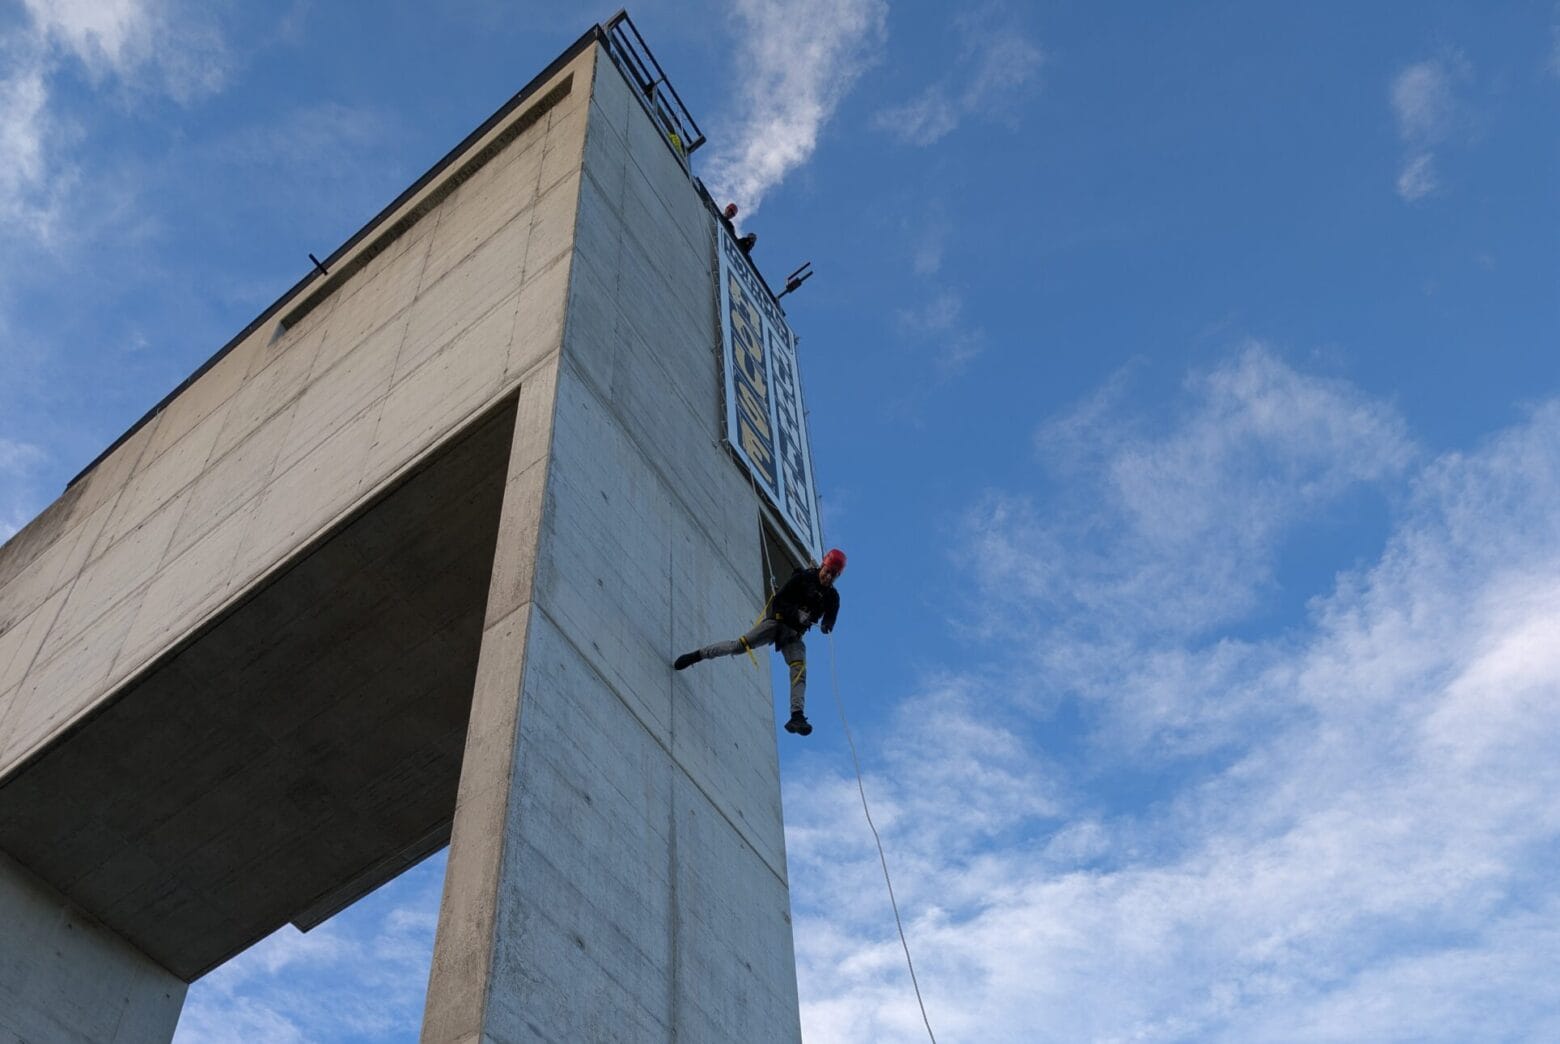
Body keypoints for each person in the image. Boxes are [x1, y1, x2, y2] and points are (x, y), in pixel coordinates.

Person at [674, 548, 846, 736]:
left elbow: (831, 616)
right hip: (777, 623)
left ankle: (797, 715)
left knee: (799, 670)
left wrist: (826, 626)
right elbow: (779, 600)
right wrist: (796, 613)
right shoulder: (803, 577)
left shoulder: (832, 597)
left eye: (833, 575)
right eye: (827, 572)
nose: (828, 577)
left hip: (793, 635)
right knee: (738, 646)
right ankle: (698, 655)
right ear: (823, 566)